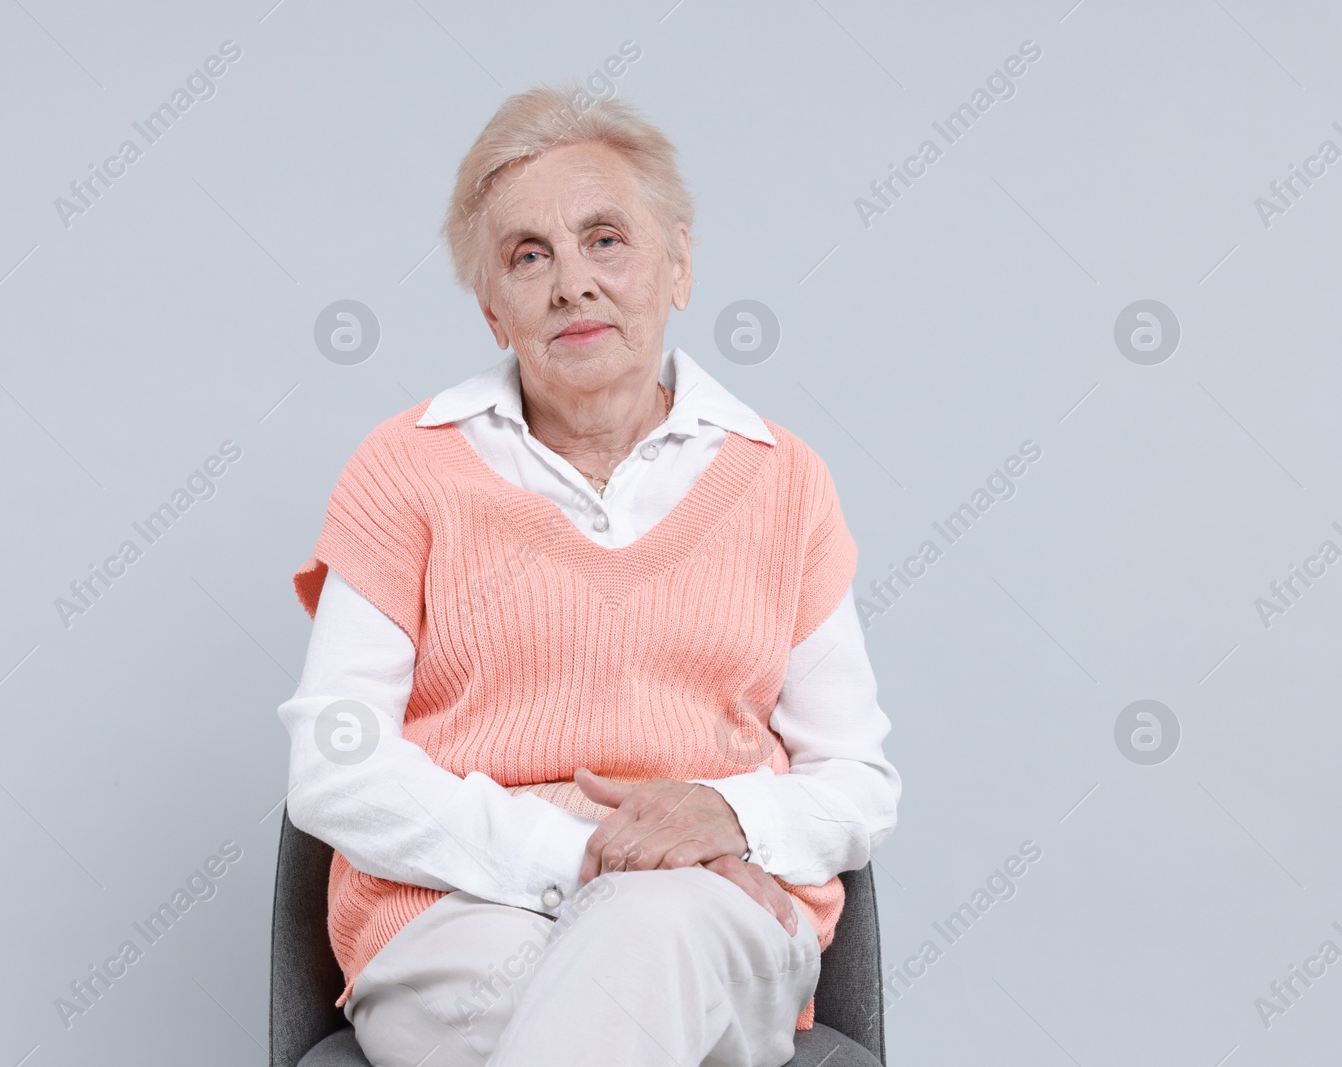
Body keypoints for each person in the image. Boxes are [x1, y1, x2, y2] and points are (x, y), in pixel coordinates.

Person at [278, 84, 901, 1067]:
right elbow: (334, 761)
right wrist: (573, 851)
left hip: (711, 912)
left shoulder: (783, 481)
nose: (572, 281)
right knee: (618, 986)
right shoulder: (403, 468)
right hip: (456, 921)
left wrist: (725, 812)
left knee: (649, 930)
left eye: (606, 238)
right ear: (493, 309)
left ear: (679, 266)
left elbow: (857, 783)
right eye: (530, 255)